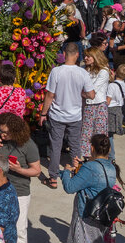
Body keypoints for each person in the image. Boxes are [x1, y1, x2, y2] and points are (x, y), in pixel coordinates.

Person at [60, 134, 119, 243]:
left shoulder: (90, 167)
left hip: (86, 216)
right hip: (102, 215)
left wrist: (66, 172)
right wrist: (82, 168)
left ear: (92, 148)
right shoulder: (110, 166)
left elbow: (70, 188)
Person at [41, 43, 96, 187]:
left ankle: (53, 177)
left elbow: (50, 95)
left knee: (56, 146)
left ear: (64, 54)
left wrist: (43, 113)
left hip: (57, 115)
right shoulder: (83, 73)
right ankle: (77, 173)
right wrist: (81, 94)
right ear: (77, 55)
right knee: (75, 145)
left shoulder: (56, 72)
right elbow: (91, 94)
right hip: (75, 115)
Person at [79, 49, 111, 157]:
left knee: (99, 132)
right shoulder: (84, 70)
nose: (85, 58)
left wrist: (80, 92)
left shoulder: (104, 71)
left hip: (99, 106)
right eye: (85, 56)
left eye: (88, 56)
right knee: (86, 133)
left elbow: (92, 90)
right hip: (88, 105)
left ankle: (100, 155)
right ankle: (86, 156)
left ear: (95, 57)